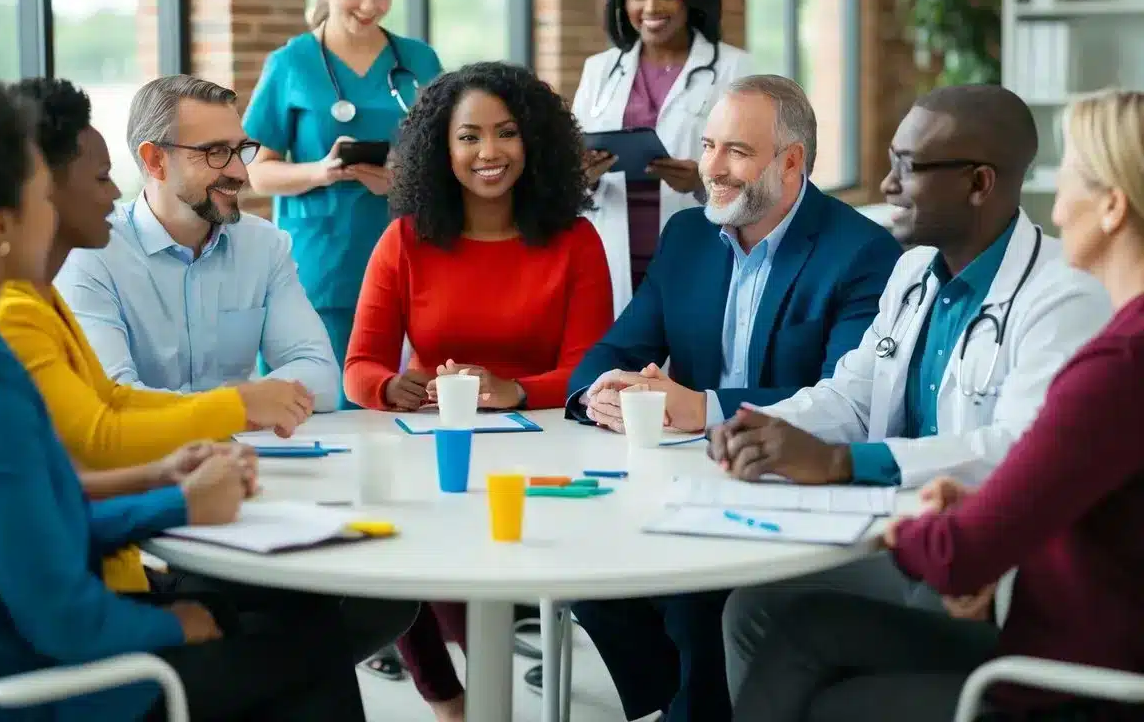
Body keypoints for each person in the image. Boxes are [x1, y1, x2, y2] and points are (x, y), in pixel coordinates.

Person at [0, 77, 368, 721]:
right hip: (40, 685)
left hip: (42, 636)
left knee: (291, 628)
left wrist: (168, 487)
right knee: (314, 650)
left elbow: (37, 517)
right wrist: (175, 628)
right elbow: (61, 617)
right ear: (2, 223)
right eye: (39, 197)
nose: (60, 211)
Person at [728, 88, 1144, 722]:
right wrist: (760, 428)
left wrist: (855, 474)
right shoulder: (915, 270)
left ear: (1113, 206)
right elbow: (854, 392)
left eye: (1073, 182)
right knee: (781, 623)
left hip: (1059, 674)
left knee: (825, 702)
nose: (1056, 207)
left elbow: (998, 485)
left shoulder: (1109, 351)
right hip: (1021, 585)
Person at [557, 75, 901, 722]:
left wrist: (703, 405)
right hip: (684, 476)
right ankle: (677, 706)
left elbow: (843, 400)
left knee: (692, 593)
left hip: (788, 484)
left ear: (791, 161)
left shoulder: (862, 253)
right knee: (587, 571)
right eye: (708, 145)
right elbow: (612, 351)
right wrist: (597, 395)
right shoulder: (688, 237)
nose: (711, 168)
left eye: (736, 151)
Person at [343, 61, 613, 721]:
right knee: (394, 541)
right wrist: (390, 387)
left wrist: (513, 390)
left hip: (547, 453)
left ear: (534, 143)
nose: (488, 153)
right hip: (436, 447)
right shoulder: (405, 241)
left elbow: (588, 373)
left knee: (468, 574)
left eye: (506, 134)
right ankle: (449, 703)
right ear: (442, 148)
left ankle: (479, 688)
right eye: (468, 137)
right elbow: (359, 367)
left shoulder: (576, 242)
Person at [243, 0, 442, 410]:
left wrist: (401, 178)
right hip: (320, 266)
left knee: (402, 412)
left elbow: (448, 157)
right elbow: (256, 170)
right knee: (313, 409)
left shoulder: (418, 61)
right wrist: (322, 171)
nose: (370, 6)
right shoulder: (291, 63)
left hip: (410, 258)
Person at [55, 74, 340, 414]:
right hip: (147, 464)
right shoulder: (93, 253)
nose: (239, 172)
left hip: (246, 460)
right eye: (216, 152)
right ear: (155, 161)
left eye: (239, 151)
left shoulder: (264, 245)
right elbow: (111, 400)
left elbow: (321, 378)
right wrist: (238, 406)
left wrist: (230, 408)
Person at [573, 0, 752, 317]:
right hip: (612, 249)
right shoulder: (600, 71)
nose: (651, 8)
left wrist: (702, 183)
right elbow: (567, 172)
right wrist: (581, 174)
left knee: (687, 367)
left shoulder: (734, 69)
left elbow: (760, 172)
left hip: (700, 245)